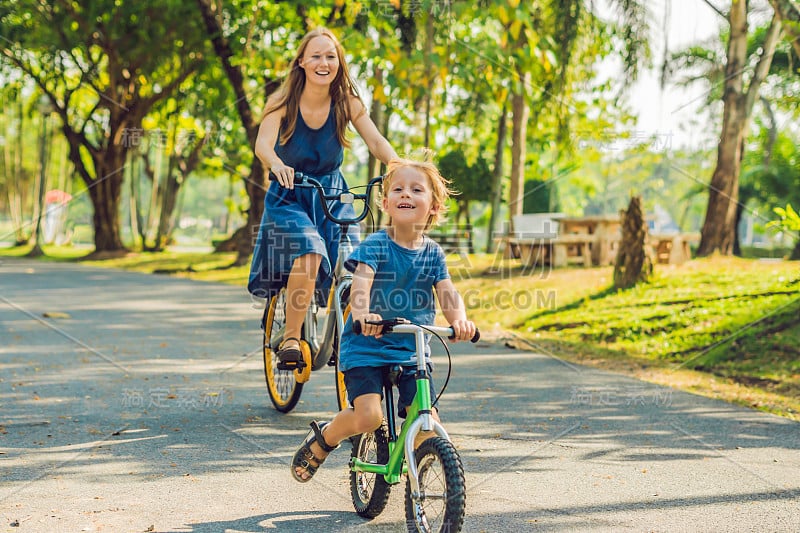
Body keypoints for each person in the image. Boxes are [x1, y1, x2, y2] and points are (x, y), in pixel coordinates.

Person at [290, 157, 477, 482]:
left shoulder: (433, 253)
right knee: (369, 417)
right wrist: (363, 315)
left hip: (410, 351)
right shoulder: (375, 245)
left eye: (417, 189)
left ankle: (427, 474)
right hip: (366, 348)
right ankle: (326, 436)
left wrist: (460, 320)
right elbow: (360, 286)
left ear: (433, 206)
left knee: (427, 420)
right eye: (398, 189)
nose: (406, 194)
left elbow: (447, 293)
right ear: (387, 202)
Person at [248, 27, 398, 370]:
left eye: (330, 56)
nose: (323, 62)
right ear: (301, 62)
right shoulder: (282, 101)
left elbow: (376, 142)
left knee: (359, 262)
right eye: (315, 55)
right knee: (310, 252)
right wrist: (276, 164)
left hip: (333, 194)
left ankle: (349, 335)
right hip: (290, 194)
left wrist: (397, 164)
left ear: (339, 63)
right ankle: (291, 337)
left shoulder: (347, 102)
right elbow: (263, 145)